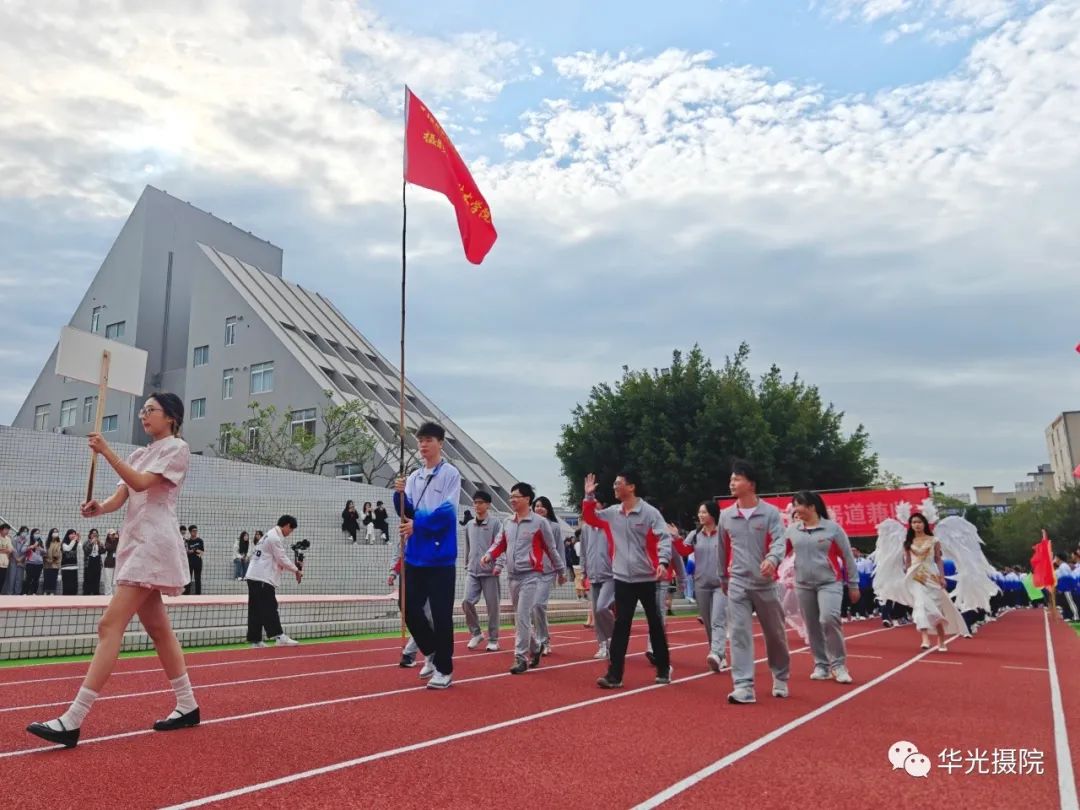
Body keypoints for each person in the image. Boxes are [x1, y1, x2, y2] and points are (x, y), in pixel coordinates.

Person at [26, 393, 198, 748]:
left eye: (150, 410)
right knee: (158, 629)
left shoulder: (176, 448)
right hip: (136, 543)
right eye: (142, 410)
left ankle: (73, 720)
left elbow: (140, 484)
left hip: (153, 543)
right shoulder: (140, 453)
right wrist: (98, 508)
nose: (143, 416)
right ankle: (188, 705)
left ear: (171, 417)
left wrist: (106, 451)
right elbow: (122, 496)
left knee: (109, 625)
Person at [581, 471, 674, 689]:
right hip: (622, 578)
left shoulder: (649, 513)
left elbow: (664, 537)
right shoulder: (612, 513)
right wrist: (588, 497)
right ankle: (615, 675)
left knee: (655, 624)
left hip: (647, 578)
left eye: (618, 483)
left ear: (631, 487)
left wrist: (663, 562)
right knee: (621, 626)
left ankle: (663, 667)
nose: (614, 487)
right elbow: (591, 518)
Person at [393, 422, 461, 690]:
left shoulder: (450, 474)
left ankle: (444, 669)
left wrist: (417, 525)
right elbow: (405, 511)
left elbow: (448, 513)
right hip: (415, 555)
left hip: (440, 558)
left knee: (442, 615)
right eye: (420, 440)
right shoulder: (414, 477)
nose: (423, 444)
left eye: (429, 440)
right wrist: (397, 494)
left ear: (440, 443)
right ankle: (432, 650)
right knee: (407, 606)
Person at [719, 460, 791, 705]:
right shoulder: (726, 516)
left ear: (750, 484)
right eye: (731, 479)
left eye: (737, 479)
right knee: (739, 633)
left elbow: (779, 541)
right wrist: (722, 576)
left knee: (775, 634)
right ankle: (743, 686)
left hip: (765, 583)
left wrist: (772, 559)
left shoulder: (770, 513)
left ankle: (780, 676)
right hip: (738, 582)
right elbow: (722, 548)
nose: (732, 483)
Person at [482, 482, 566, 674]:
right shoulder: (507, 522)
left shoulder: (539, 523)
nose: (512, 500)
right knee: (519, 617)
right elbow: (499, 543)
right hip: (512, 576)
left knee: (522, 616)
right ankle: (535, 648)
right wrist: (489, 555)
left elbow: (551, 549)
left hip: (531, 575)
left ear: (527, 499)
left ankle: (520, 657)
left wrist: (561, 571)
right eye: (511, 496)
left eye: (516, 496)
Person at [785, 490, 859, 684]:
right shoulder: (792, 530)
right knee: (812, 625)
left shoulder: (833, 529)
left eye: (798, 505)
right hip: (802, 583)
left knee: (828, 618)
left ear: (812, 506)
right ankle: (821, 665)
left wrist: (853, 584)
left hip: (829, 582)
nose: (795, 509)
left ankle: (839, 665)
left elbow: (847, 557)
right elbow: (779, 552)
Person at [675, 501, 729, 673]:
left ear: (713, 514)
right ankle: (718, 653)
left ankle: (716, 652)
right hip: (701, 583)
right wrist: (676, 538)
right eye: (699, 512)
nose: (700, 515)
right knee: (707, 621)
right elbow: (683, 551)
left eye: (704, 512)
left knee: (717, 620)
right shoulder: (695, 534)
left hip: (721, 583)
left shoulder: (723, 533)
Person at [244, 516, 303, 648]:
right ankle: (279, 636)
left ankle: (255, 640)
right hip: (262, 577)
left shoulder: (268, 535)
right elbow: (281, 558)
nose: (290, 533)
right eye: (291, 530)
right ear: (287, 525)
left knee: (256, 609)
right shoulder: (274, 538)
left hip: (254, 576)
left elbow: (277, 558)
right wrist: (296, 570)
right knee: (270, 606)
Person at [461, 492, 502, 652]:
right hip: (472, 570)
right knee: (466, 601)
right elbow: (468, 546)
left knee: (493, 607)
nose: (477, 505)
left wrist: (498, 565)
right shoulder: (469, 525)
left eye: (480, 502)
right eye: (475, 502)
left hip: (490, 571)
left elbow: (500, 545)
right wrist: (467, 563)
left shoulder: (496, 523)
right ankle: (476, 633)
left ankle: (493, 639)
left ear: (488, 505)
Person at [579, 504, 615, 659]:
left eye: (597, 509)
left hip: (610, 575)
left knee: (602, 608)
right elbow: (584, 552)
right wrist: (583, 571)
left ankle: (615, 636)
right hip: (593, 576)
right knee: (596, 612)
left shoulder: (609, 525)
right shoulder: (586, 529)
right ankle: (602, 644)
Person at [531, 496, 562, 656]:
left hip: (547, 571)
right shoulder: (529, 525)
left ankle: (544, 641)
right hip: (530, 571)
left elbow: (559, 550)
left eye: (542, 506)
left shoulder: (555, 527)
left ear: (548, 508)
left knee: (538, 605)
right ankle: (537, 638)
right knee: (532, 608)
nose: (539, 509)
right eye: (536, 506)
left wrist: (561, 571)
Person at [82, 528, 103, 595]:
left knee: (96, 579)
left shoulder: (99, 542)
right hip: (89, 562)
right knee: (88, 579)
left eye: (96, 534)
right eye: (93, 534)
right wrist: (91, 543)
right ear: (90, 535)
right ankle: (87, 593)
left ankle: (96, 593)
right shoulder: (86, 542)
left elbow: (102, 551)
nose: (94, 535)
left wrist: (100, 545)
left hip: (97, 561)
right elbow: (86, 551)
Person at [184, 525, 204, 595]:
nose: (195, 532)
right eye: (193, 531)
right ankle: (186, 594)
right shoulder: (187, 541)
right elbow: (186, 551)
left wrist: (193, 550)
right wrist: (195, 550)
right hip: (189, 562)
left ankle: (198, 594)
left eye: (196, 531)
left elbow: (202, 552)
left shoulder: (200, 540)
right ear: (190, 532)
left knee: (197, 578)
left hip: (198, 562)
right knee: (188, 578)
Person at [23, 529, 44, 595]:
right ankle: (25, 592)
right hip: (30, 563)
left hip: (39, 563)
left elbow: (45, 551)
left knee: (36, 579)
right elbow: (23, 550)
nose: (37, 534)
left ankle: (34, 592)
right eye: (36, 533)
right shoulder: (29, 541)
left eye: (38, 533)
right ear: (32, 534)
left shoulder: (41, 541)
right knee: (28, 578)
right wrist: (32, 546)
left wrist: (41, 549)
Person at [60, 529, 80, 595]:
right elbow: (68, 548)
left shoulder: (75, 542)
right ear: (67, 535)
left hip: (74, 567)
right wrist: (74, 540)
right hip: (66, 567)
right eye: (71, 534)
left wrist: (78, 540)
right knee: (67, 585)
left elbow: (80, 548)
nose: (73, 535)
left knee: (74, 585)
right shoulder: (64, 543)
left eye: (74, 534)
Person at [102, 530, 119, 596]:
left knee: (114, 582)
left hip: (116, 564)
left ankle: (114, 595)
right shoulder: (107, 542)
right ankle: (108, 594)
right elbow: (111, 548)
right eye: (112, 534)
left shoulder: (118, 541)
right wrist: (116, 539)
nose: (113, 536)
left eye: (114, 534)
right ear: (108, 535)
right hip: (109, 564)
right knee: (108, 581)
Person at [0, 523, 12, 594]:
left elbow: (10, 550)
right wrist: (6, 549)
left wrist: (3, 550)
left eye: (8, 530)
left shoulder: (8, 539)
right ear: (1, 530)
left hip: (5, 563)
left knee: (2, 580)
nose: (7, 531)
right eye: (6, 529)